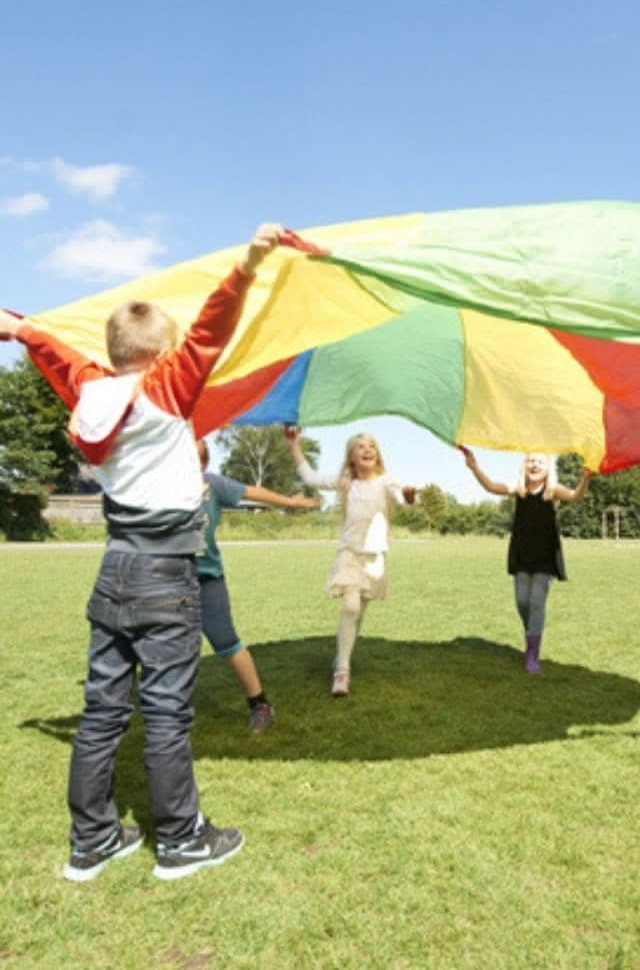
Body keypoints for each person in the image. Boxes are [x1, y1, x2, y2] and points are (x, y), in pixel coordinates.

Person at [0, 222, 284, 881]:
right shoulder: (164, 391)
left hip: (113, 573)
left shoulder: (90, 392)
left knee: (102, 711)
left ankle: (92, 840)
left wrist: (16, 328)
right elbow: (213, 328)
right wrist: (247, 264)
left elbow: (53, 353)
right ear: (163, 356)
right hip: (166, 578)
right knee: (164, 712)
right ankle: (181, 841)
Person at [196, 438, 319, 732]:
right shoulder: (156, 486)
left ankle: (260, 704)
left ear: (202, 464)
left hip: (206, 578)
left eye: (193, 457)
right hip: (165, 579)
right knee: (162, 645)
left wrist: (291, 502)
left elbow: (255, 492)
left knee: (226, 642)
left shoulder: (212, 485)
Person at [284, 427, 417, 697]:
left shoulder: (386, 482)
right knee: (350, 605)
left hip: (374, 557)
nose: (367, 450)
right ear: (351, 457)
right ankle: (342, 670)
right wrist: (293, 444)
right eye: (361, 447)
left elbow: (404, 500)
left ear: (377, 455)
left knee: (359, 612)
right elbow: (309, 477)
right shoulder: (345, 483)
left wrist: (411, 496)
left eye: (371, 446)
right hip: (349, 554)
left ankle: (342, 655)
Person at [463, 449, 591, 673]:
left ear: (548, 467)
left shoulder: (552, 491)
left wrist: (585, 478)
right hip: (522, 554)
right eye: (530, 461)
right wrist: (474, 468)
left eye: (539, 462)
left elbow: (576, 496)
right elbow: (492, 487)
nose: (534, 465)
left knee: (536, 603)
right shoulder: (518, 489)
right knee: (522, 601)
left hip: (545, 556)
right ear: (525, 465)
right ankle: (531, 631)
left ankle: (532, 655)